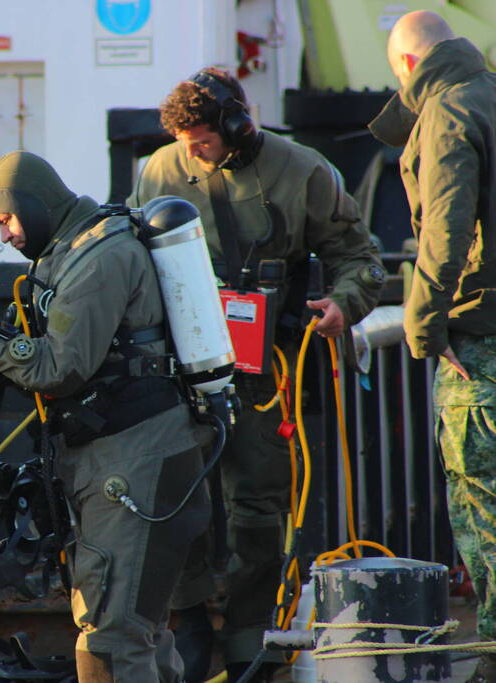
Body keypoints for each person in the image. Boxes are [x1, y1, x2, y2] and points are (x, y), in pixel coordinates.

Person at [0, 150, 211, 682]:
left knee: (114, 636)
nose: (5, 236)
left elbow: (59, 369)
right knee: (140, 629)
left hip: (134, 461)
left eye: (6, 220)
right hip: (120, 457)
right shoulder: (68, 255)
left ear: (34, 203)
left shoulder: (98, 258)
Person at [127, 68, 385, 681]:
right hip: (184, 365)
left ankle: (250, 637)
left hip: (269, 370)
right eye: (184, 139)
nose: (193, 150)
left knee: (260, 507)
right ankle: (187, 618)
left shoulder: (305, 171)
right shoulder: (161, 170)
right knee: (177, 494)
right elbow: (131, 257)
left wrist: (342, 304)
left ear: (238, 123)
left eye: (203, 138)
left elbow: (360, 257)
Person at [370, 11, 496, 682]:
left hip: (480, 347)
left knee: (484, 509)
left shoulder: (447, 114)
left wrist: (424, 327)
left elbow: (444, 239)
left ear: (407, 67)